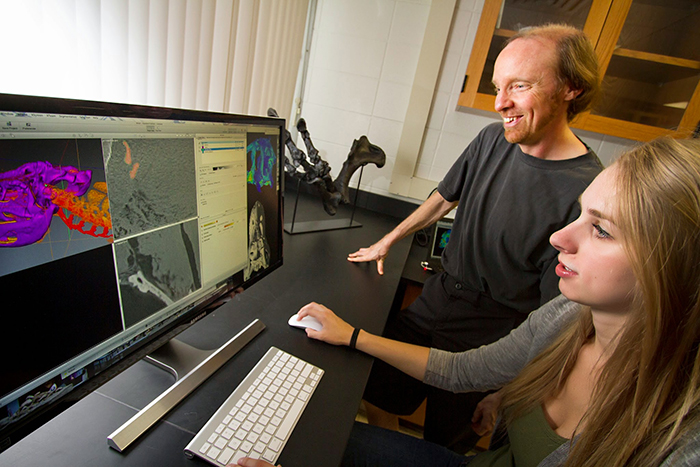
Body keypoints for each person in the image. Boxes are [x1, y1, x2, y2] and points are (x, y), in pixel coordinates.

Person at [233, 136, 700, 467]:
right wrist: (353, 336)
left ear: (675, 267)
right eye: (579, 215)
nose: (559, 237)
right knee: (313, 443)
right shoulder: (569, 316)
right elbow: (463, 370)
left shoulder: (680, 439)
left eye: (600, 229)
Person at [346, 23, 603, 450]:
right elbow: (444, 197)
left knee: (444, 445)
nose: (501, 103)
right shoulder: (492, 140)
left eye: (519, 86)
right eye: (498, 86)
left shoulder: (587, 193)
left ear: (570, 88)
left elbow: (554, 320)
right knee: (376, 392)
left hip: (492, 336)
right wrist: (388, 239)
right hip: (437, 299)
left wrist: (507, 389)